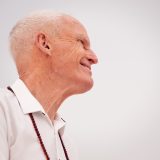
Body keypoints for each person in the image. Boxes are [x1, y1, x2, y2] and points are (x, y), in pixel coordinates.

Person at [0, 10, 98, 160]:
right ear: (45, 44)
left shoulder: (67, 143)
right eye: (81, 43)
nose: (94, 58)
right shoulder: (3, 110)